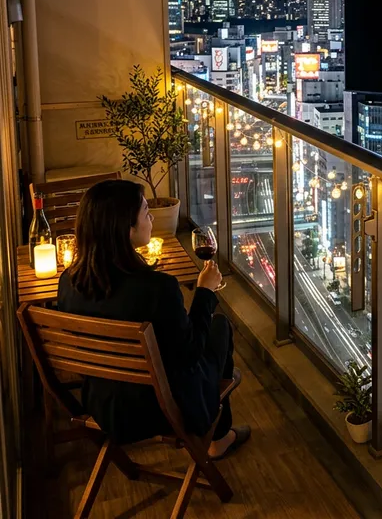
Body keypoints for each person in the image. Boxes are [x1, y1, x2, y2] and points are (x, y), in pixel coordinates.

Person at [57, 179, 250, 459]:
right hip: (158, 410)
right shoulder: (158, 288)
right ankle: (217, 436)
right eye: (146, 211)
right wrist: (205, 292)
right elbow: (190, 353)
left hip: (103, 406)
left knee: (206, 345)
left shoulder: (68, 281)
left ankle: (221, 393)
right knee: (219, 327)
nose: (151, 218)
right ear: (127, 228)